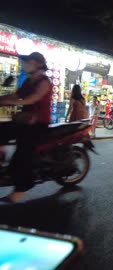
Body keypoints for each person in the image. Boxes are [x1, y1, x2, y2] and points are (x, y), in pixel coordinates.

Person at [0, 52, 53, 203]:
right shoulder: (27, 82)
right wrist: (3, 99)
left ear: (36, 63)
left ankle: (21, 188)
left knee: (23, 152)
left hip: (38, 123)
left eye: (26, 62)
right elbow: (16, 96)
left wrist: (12, 102)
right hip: (24, 120)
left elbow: (32, 99)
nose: (23, 64)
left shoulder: (44, 82)